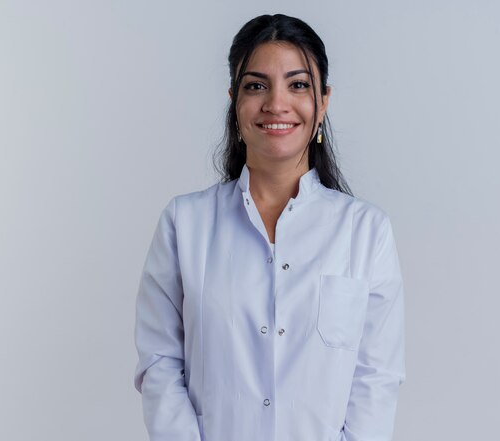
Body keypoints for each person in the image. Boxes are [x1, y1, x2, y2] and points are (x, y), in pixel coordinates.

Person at [134, 13, 406, 441]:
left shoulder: (366, 232)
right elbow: (159, 362)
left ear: (323, 101)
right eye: (256, 85)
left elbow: (376, 379)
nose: (276, 103)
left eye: (298, 84)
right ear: (234, 99)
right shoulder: (184, 224)